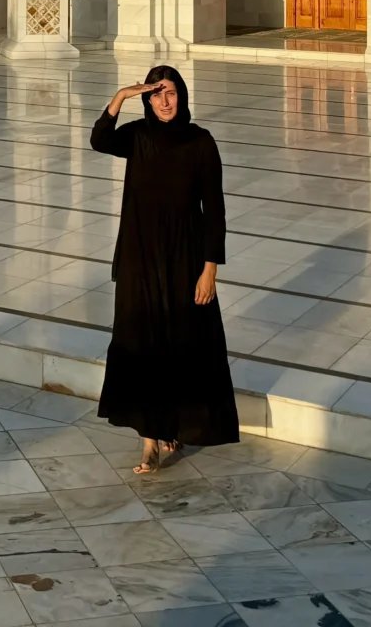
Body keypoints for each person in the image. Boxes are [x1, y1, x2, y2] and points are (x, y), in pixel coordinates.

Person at [91, 64, 239, 473]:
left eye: (170, 91)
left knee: (180, 343)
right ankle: (149, 440)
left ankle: (174, 425)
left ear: (183, 95)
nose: (164, 101)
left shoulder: (200, 142)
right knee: (142, 342)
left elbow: (216, 211)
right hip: (139, 258)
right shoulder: (137, 137)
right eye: (155, 94)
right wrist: (120, 95)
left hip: (185, 258)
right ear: (146, 99)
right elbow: (100, 140)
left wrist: (210, 269)